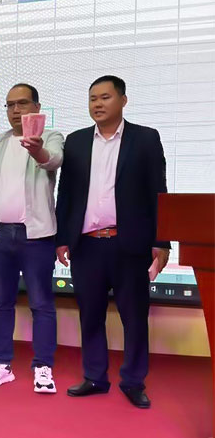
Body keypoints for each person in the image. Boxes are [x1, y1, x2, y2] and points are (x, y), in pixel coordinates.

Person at [56, 75, 170, 408]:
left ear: (123, 100)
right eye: (92, 98)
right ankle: (94, 376)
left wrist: (162, 241)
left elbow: (158, 193)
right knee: (90, 315)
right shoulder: (76, 142)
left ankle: (133, 380)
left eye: (105, 97)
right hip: (87, 245)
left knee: (134, 317)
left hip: (129, 244)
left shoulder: (145, 139)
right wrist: (62, 238)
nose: (97, 104)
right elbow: (66, 194)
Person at [0, 84, 64, 393]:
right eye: (10, 105)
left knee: (41, 303)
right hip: (0, 234)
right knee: (1, 302)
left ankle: (43, 367)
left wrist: (36, 148)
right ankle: (1, 364)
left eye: (23, 103)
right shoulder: (0, 142)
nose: (16, 110)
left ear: (37, 107)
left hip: (36, 235)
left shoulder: (51, 137)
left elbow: (53, 161)